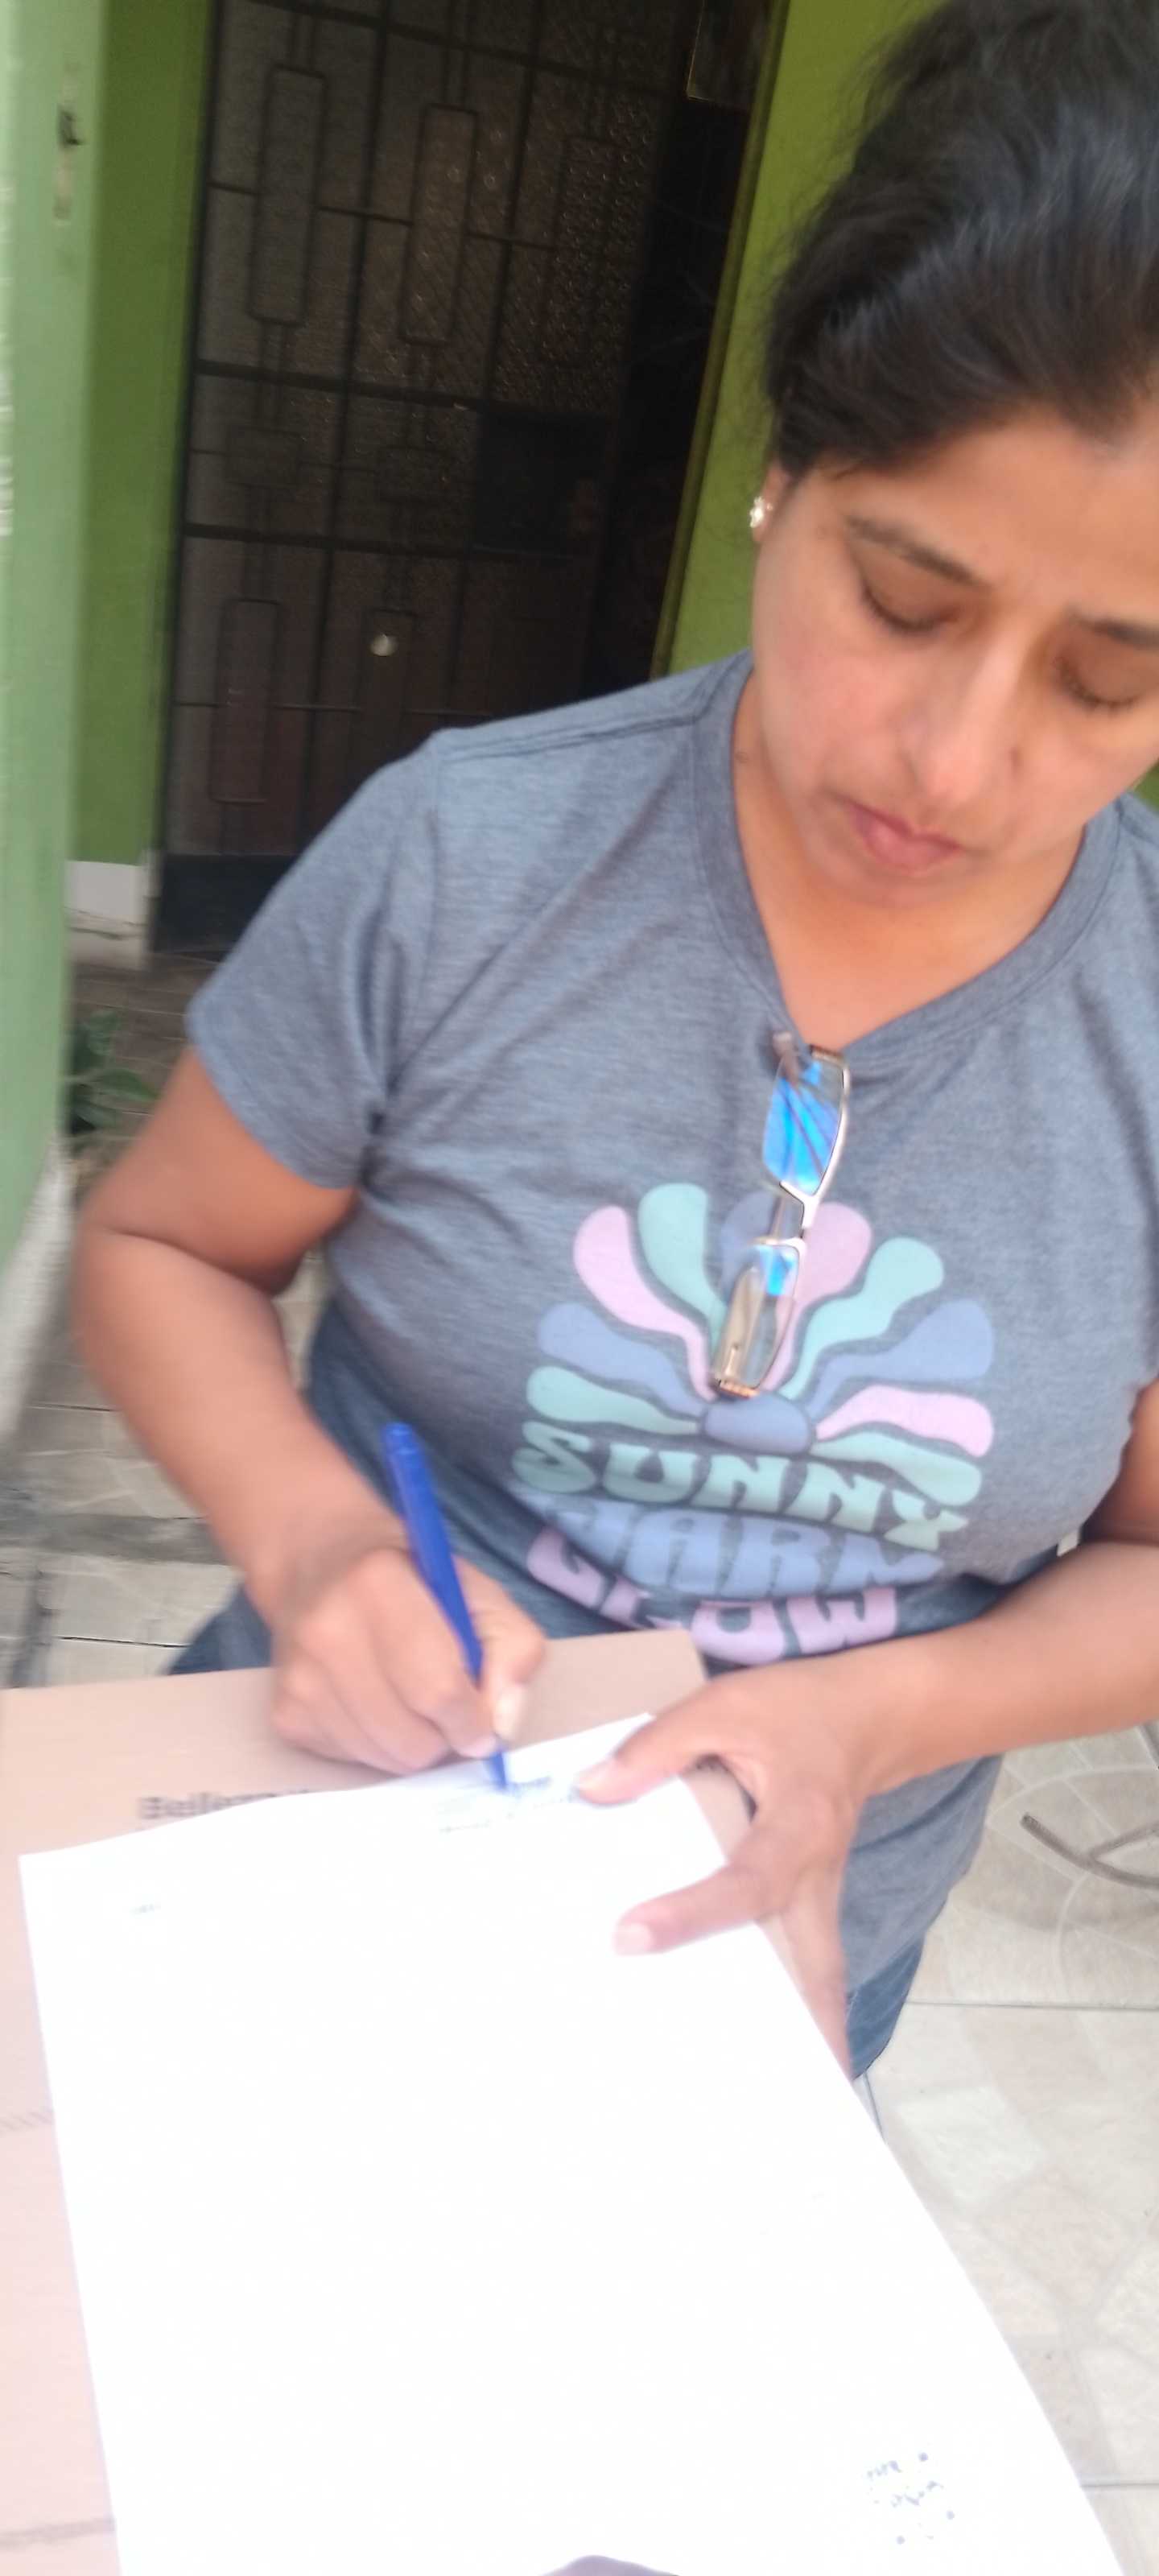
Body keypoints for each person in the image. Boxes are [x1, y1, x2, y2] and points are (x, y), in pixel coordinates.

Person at [75, 0, 1159, 2080]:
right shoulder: (469, 859)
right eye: (904, 601)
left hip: (770, 1944)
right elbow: (160, 1248)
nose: (956, 760)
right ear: (781, 482)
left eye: (1107, 683)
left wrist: (874, 1721)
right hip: (345, 1834)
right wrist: (316, 1538)